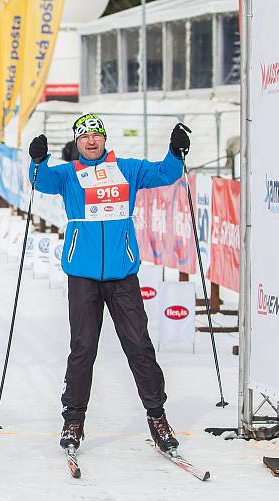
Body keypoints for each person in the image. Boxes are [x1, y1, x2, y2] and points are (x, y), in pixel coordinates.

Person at [27, 114, 191, 453]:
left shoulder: (127, 169)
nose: (90, 141)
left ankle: (157, 417)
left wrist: (176, 152)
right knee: (83, 348)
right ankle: (73, 420)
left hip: (122, 276)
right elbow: (40, 181)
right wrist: (39, 159)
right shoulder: (68, 174)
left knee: (139, 347)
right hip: (83, 276)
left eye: (96, 135)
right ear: (77, 142)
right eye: (84, 136)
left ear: (104, 138)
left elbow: (165, 173)